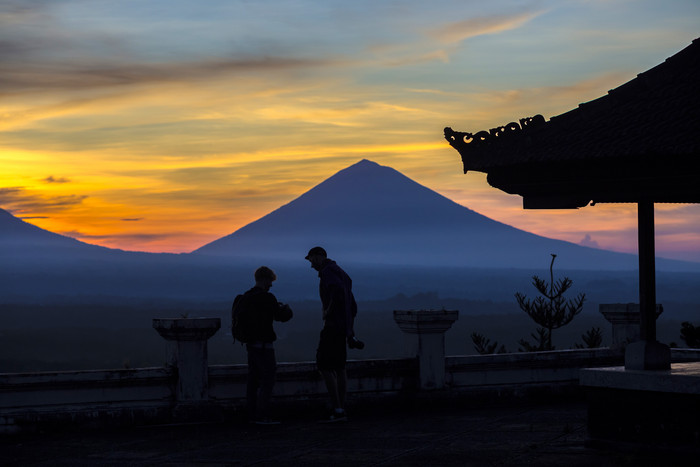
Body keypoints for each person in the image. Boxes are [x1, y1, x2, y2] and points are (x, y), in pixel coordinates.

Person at [305, 246, 363, 422]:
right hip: (343, 327)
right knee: (339, 367)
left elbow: (337, 292)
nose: (311, 265)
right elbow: (351, 304)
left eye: (312, 260)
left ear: (319, 257)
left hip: (332, 326)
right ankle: (341, 408)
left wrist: (328, 311)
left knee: (324, 365)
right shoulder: (340, 272)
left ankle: (337, 407)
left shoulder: (328, 272)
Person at [233, 266, 292, 425]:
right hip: (265, 346)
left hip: (251, 345)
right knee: (267, 380)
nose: (271, 285)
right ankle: (262, 415)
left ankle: (252, 414)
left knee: (253, 380)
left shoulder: (246, 297)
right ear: (265, 279)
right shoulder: (267, 298)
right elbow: (281, 317)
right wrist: (286, 308)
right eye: (270, 281)